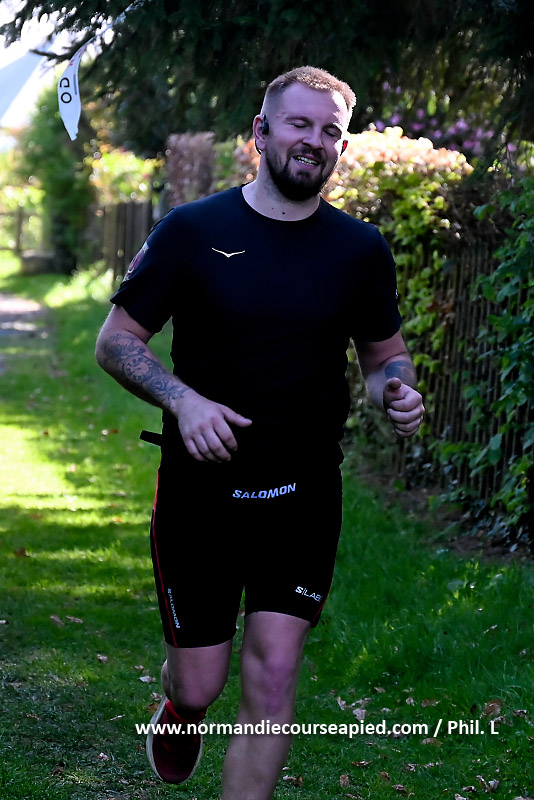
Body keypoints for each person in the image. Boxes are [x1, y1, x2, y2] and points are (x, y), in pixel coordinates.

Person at [95, 65, 424, 800]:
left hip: (303, 491)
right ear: (262, 131)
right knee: (201, 681)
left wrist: (395, 391)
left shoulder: (360, 250)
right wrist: (183, 402)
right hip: (200, 493)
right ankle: (181, 705)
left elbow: (383, 356)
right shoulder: (193, 231)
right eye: (300, 123)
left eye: (330, 131)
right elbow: (116, 340)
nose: (314, 141)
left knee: (274, 675)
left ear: (342, 147)